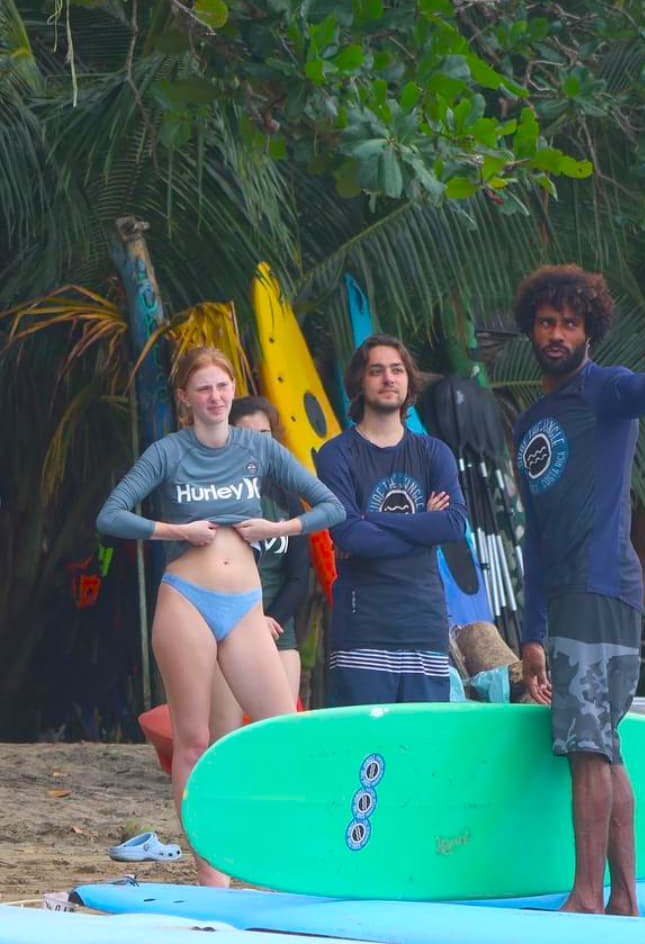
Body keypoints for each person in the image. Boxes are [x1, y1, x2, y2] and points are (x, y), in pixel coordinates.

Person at [96, 347, 344, 886]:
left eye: (222, 386)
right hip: (186, 598)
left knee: (283, 731)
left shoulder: (258, 447)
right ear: (185, 398)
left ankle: (293, 858)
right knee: (192, 741)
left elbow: (332, 506)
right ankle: (212, 876)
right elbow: (111, 515)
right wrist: (175, 531)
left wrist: (277, 528)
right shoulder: (168, 451)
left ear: (234, 390)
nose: (215, 397)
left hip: (246, 606)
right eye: (203, 388)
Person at [511, 265, 645, 916]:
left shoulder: (604, 388)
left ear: (589, 331)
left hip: (600, 585)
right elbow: (535, 537)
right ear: (532, 329)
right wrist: (532, 633)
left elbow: (643, 392)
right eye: (547, 323)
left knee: (589, 742)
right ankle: (624, 902)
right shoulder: (530, 424)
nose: (557, 334)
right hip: (567, 598)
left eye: (570, 323)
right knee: (603, 743)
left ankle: (588, 895)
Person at [314, 334, 467, 706]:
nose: (388, 379)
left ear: (409, 381)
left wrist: (372, 518)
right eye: (376, 371)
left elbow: (452, 524)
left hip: (424, 626)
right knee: (365, 741)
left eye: (397, 370)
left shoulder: (434, 453)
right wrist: (423, 525)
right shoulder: (337, 455)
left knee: (422, 739)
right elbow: (350, 536)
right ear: (359, 382)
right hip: (363, 630)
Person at [208, 396, 311, 744]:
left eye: (264, 435)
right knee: (226, 736)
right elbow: (211, 572)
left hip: (277, 629)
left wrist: (271, 621)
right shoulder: (213, 497)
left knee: (280, 734)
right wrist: (250, 621)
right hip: (227, 627)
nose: (257, 444)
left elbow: (298, 577)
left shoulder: (289, 499)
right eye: (246, 435)